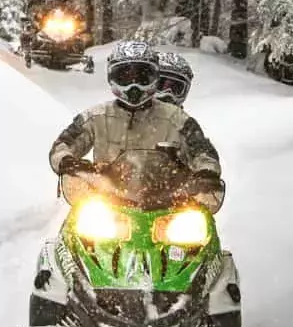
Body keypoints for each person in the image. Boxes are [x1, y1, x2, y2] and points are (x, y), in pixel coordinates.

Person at [48, 40, 224, 212]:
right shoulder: (95, 116)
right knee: (72, 236)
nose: (134, 85)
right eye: (124, 77)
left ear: (154, 77)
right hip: (105, 207)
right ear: (112, 77)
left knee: (202, 237)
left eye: (142, 77)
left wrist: (206, 173)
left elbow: (204, 151)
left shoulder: (178, 118)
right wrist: (67, 161)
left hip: (168, 208)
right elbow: (62, 145)